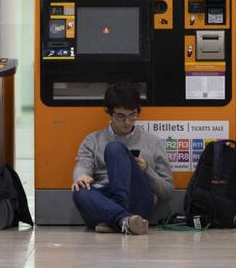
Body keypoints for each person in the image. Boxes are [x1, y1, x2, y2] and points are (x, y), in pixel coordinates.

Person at [71, 83, 174, 235]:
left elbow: (167, 192)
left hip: (137, 202)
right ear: (110, 114)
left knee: (115, 149)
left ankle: (117, 214)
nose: (127, 122)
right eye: (121, 116)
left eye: (132, 115)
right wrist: (81, 177)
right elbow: (83, 165)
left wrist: (147, 170)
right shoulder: (93, 140)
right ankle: (123, 220)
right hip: (104, 200)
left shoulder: (153, 142)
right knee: (79, 190)